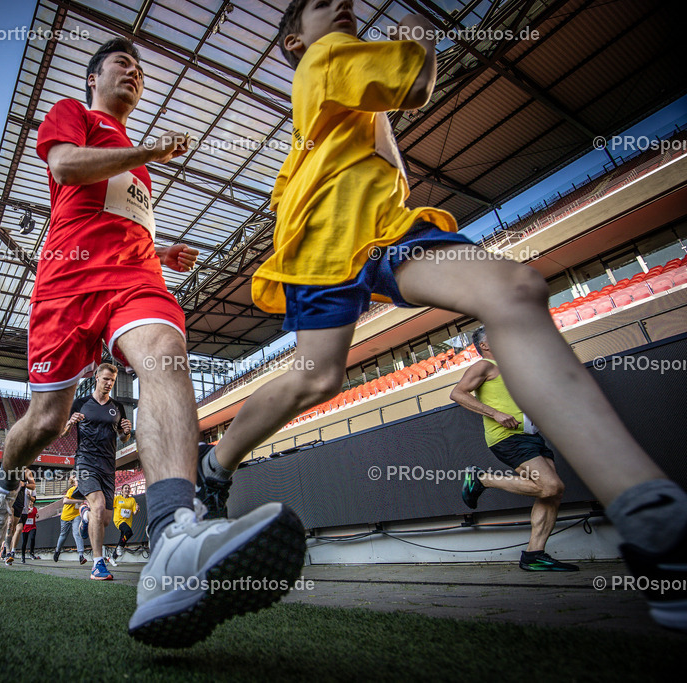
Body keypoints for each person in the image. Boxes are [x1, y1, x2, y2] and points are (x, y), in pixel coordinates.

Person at [195, 0, 687, 631]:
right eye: (320, 4)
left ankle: (648, 516)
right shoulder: (325, 56)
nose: (340, 4)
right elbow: (418, 81)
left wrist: (384, 101)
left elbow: (393, 171)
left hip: (377, 230)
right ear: (294, 40)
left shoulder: (343, 87)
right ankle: (213, 467)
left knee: (511, 290)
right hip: (324, 240)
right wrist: (418, 30)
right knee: (320, 377)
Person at [0, 36, 308, 645]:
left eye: (141, 69)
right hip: (67, 283)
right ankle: (3, 479)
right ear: (95, 77)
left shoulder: (135, 160)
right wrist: (147, 149)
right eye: (122, 64)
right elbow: (66, 167)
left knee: (166, 355)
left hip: (134, 279)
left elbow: (119, 218)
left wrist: (159, 248)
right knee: (46, 421)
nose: (135, 72)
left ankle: (174, 535)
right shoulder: (75, 114)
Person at [452, 327, 578, 571]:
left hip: (531, 437)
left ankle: (534, 555)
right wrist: (495, 413)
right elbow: (457, 393)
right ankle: (482, 479)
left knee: (552, 493)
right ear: (485, 345)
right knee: (551, 486)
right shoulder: (484, 366)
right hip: (507, 437)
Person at [61, 363, 132, 580]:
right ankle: (97, 564)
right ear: (96, 379)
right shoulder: (81, 403)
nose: (109, 383)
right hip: (85, 463)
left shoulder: (117, 407)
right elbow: (62, 432)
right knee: (99, 505)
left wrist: (126, 433)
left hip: (108, 467)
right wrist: (69, 423)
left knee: (105, 519)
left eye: (112, 380)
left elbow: (122, 436)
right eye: (106, 379)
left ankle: (85, 517)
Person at [3, 468, 37, 565]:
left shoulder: (27, 472)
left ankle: (8, 548)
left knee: (14, 528)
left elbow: (33, 486)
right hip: (9, 499)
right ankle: (8, 553)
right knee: (10, 524)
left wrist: (24, 484)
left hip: (20, 502)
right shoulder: (10, 467)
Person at [53, 473, 87, 564]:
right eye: (77, 481)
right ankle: (57, 550)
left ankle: (81, 555)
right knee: (63, 535)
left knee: (77, 533)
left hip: (76, 515)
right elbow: (65, 501)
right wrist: (79, 501)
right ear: (73, 483)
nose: (79, 482)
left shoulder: (82, 491)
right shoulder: (72, 490)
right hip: (66, 516)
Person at [110, 483, 139, 566]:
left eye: (128, 488)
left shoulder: (132, 500)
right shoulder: (117, 498)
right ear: (122, 490)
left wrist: (137, 509)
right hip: (118, 520)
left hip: (128, 522)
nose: (127, 490)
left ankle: (113, 557)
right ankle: (120, 547)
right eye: (125, 488)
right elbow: (110, 505)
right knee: (129, 532)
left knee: (122, 539)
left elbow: (134, 512)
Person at [21, 495, 40, 563]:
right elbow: (21, 516)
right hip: (25, 527)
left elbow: (36, 515)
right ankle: (23, 556)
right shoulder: (25, 508)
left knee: (32, 538)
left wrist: (37, 515)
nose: (30, 502)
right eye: (29, 501)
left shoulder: (35, 509)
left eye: (31, 501)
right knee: (24, 542)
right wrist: (27, 513)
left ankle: (32, 552)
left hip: (32, 526)